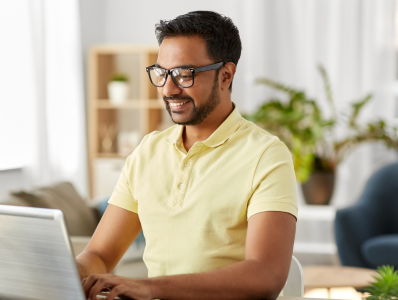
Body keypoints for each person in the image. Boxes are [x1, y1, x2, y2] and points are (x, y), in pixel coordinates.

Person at [77, 11, 298, 300]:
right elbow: (99, 254)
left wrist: (149, 287)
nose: (168, 89)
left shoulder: (266, 156)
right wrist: (67, 272)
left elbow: (266, 274)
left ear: (226, 75)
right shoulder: (148, 151)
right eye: (162, 73)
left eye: (184, 74)